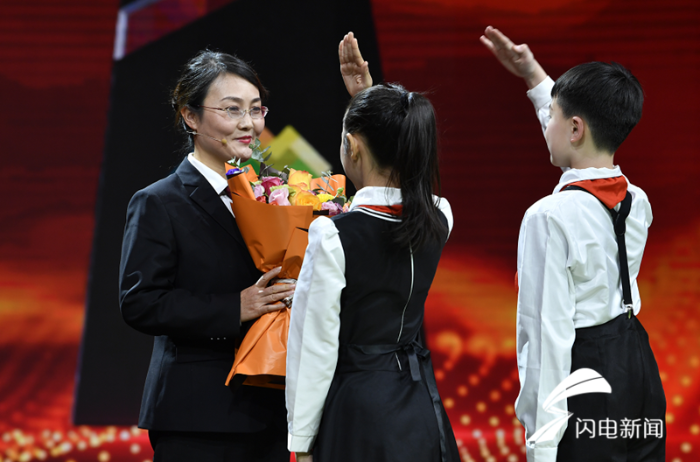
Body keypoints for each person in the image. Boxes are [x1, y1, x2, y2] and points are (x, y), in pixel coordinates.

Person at [480, 26, 665, 461]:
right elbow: (579, 151)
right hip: (639, 366)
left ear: (576, 128)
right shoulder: (637, 201)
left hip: (587, 376)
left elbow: (545, 338)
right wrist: (533, 75)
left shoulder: (548, 217)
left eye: (553, 118)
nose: (547, 124)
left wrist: (541, 446)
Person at [119, 50, 296, 461]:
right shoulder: (158, 201)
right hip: (196, 416)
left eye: (256, 109)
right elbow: (140, 302)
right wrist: (235, 307)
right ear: (191, 117)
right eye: (232, 109)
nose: (248, 123)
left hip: (269, 410)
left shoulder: (270, 195)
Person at [285, 67, 460, 461]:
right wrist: (372, 100)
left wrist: (301, 442)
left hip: (357, 411)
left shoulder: (332, 235)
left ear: (352, 145)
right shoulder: (440, 216)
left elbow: (313, 349)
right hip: (419, 403)